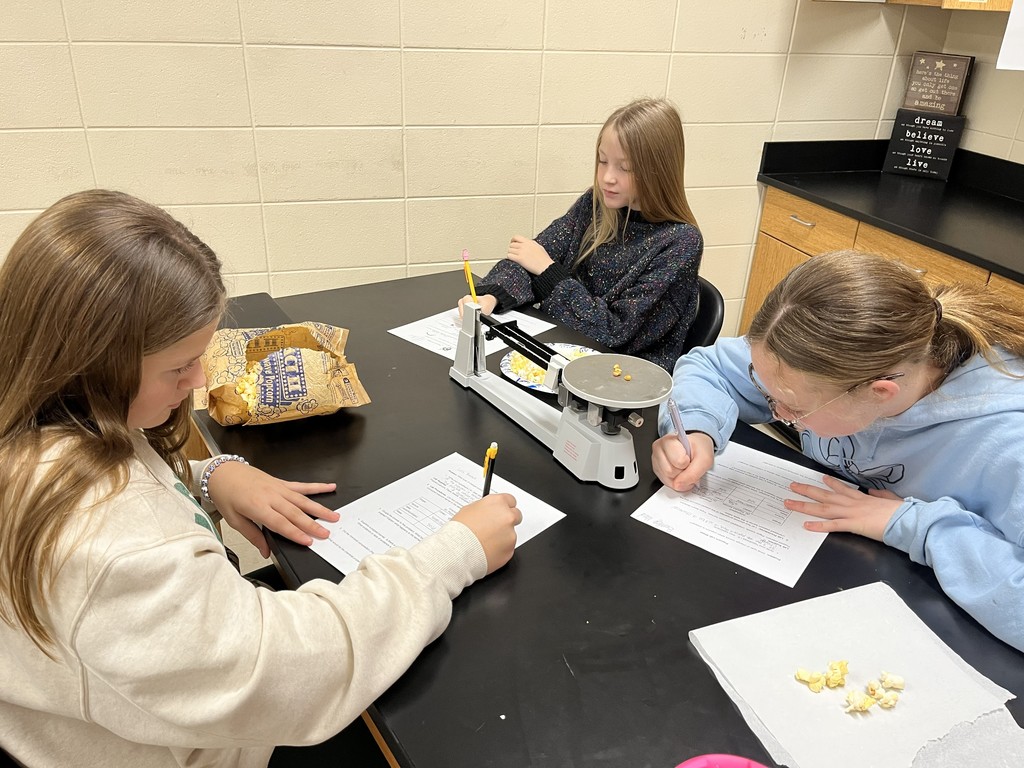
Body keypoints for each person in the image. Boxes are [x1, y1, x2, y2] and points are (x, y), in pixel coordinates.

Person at [0, 189, 522, 767]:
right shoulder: (113, 547)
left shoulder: (41, 427)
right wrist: (452, 556)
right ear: (89, 359)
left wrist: (210, 475)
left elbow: (137, 475)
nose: (198, 379)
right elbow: (290, 674)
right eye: (178, 367)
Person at [652, 250, 1024, 653]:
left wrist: (911, 523)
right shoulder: (824, 357)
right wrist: (696, 429)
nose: (775, 413)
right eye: (767, 393)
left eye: (792, 408)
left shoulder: (1008, 442)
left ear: (880, 393)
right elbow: (710, 368)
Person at [458, 97, 703, 372]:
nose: (607, 177)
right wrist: (493, 295)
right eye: (602, 161)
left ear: (658, 171)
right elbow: (532, 256)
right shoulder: (596, 204)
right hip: (564, 353)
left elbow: (614, 334)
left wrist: (548, 274)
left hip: (622, 382)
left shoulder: (680, 243)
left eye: (625, 167)